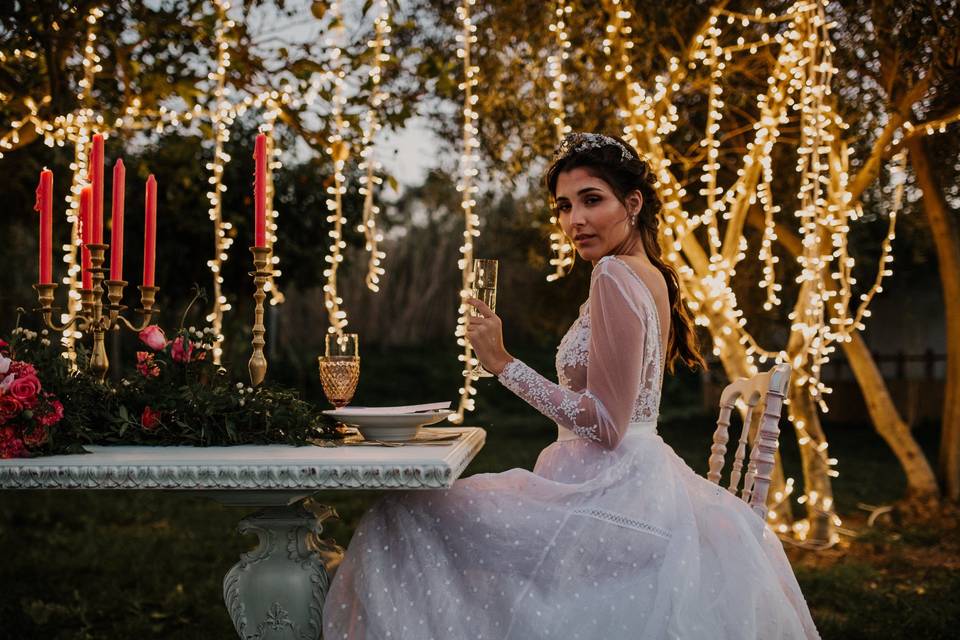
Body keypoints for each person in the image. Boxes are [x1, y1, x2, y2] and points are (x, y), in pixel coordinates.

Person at [322, 132, 820, 639]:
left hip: (610, 497)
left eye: (591, 200)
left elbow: (606, 424)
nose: (573, 220)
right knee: (421, 515)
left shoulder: (613, 275)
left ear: (633, 202)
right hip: (631, 485)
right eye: (563, 206)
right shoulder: (646, 274)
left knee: (401, 516)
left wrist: (502, 363)